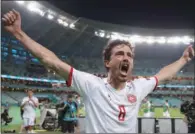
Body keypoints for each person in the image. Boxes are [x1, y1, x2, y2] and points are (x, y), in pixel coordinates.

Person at [2, 10, 194, 133]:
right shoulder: (91, 84)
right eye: (120, 54)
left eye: (129, 55)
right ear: (107, 62)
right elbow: (52, 61)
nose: (126, 57)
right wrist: (19, 33)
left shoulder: (138, 87)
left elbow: (164, 74)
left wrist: (184, 59)